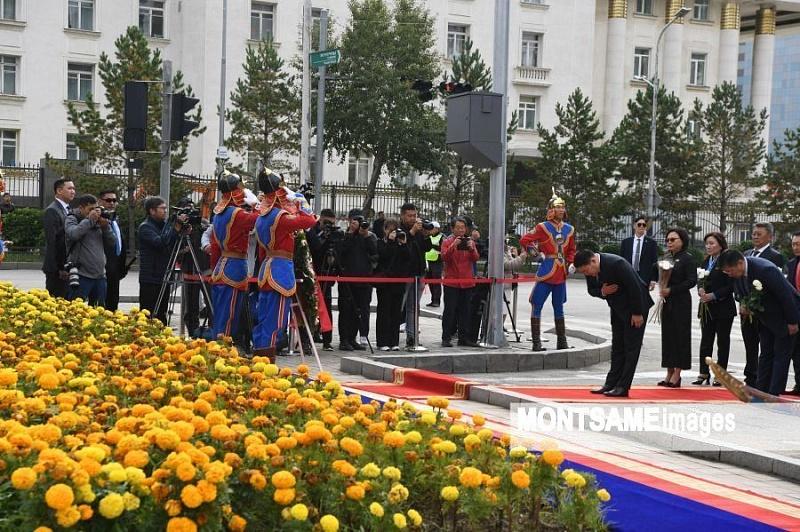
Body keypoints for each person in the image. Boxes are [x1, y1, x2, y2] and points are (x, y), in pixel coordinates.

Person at [252, 169, 316, 362]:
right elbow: (309, 220)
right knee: (274, 320)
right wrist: (300, 200)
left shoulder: (262, 216)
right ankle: (266, 363)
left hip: (266, 268)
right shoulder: (278, 216)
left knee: (263, 318)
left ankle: (259, 357)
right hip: (279, 271)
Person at [720, 249, 800, 396]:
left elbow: (785, 295)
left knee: (781, 355)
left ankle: (774, 393)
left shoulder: (765, 270)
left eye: (730, 271)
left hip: (784, 316)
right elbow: (739, 292)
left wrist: (793, 322)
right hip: (765, 317)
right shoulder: (737, 273)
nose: (729, 274)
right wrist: (744, 303)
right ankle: (761, 389)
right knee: (765, 354)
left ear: (739, 263)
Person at [575, 249, 652, 397]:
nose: (588, 274)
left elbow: (635, 287)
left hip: (635, 307)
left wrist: (637, 313)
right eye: (583, 272)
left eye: (586, 271)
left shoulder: (617, 264)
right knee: (617, 346)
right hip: (617, 307)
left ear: (593, 261)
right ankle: (611, 383)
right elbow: (592, 290)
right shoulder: (589, 268)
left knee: (631, 348)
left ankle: (623, 387)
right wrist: (603, 292)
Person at [519, 189, 576, 351]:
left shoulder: (569, 229)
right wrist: (537, 255)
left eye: (563, 207)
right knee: (537, 304)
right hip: (546, 272)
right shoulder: (542, 227)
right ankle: (536, 343)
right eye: (558, 207)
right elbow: (525, 240)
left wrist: (571, 263)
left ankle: (562, 342)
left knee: (559, 307)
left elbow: (572, 249)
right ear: (551, 209)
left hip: (561, 272)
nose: (561, 210)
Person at [209, 172, 260, 342]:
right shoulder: (236, 213)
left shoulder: (219, 211)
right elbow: (258, 219)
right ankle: (221, 350)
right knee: (229, 316)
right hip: (233, 267)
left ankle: (219, 347)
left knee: (221, 315)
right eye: (240, 188)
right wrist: (257, 204)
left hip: (223, 264)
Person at [741, 222, 785, 386]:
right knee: (750, 344)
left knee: (766, 348)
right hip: (746, 310)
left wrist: (756, 303)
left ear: (770, 237)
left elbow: (775, 285)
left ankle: (764, 380)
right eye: (753, 233)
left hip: (764, 310)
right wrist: (742, 301)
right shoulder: (746, 254)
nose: (755, 237)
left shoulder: (775, 256)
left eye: (759, 234)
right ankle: (750, 377)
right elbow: (739, 281)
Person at [652, 227, 697, 388]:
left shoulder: (687, 259)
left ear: (682, 241)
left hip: (681, 301)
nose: (669, 242)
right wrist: (658, 284)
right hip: (667, 301)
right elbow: (656, 272)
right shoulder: (666, 257)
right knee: (668, 336)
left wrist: (671, 290)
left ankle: (677, 373)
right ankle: (669, 371)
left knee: (680, 337)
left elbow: (691, 281)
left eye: (673, 239)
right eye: (667, 240)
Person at [694, 232, 736, 386]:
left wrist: (714, 295)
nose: (708, 246)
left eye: (712, 243)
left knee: (722, 342)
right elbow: (700, 279)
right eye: (707, 243)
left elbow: (731, 286)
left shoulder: (727, 260)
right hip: (707, 307)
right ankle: (703, 372)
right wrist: (700, 289)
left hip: (723, 307)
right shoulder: (706, 260)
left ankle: (721, 375)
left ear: (720, 244)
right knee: (706, 341)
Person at [336, 209, 378, 351]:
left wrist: (365, 235)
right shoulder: (344, 235)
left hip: (364, 279)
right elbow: (341, 252)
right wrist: (350, 233)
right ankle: (344, 340)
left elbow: (374, 252)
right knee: (346, 310)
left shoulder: (368, 236)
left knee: (358, 311)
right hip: (347, 279)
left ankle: (352, 338)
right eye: (354, 221)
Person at [138, 196, 184, 324]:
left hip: (163, 275)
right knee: (148, 314)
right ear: (152, 211)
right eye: (162, 208)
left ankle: (161, 333)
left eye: (166, 208)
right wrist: (175, 228)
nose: (165, 211)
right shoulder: (145, 227)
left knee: (161, 314)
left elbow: (171, 244)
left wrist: (181, 232)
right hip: (150, 277)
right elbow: (160, 243)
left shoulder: (164, 225)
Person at [65, 194, 116, 306]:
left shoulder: (100, 221)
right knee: (76, 310)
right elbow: (73, 234)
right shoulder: (73, 218)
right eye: (90, 209)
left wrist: (105, 227)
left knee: (98, 310)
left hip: (100, 276)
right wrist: (89, 220)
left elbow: (112, 243)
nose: (94, 213)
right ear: (81, 208)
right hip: (81, 275)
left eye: (95, 209)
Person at [440, 217, 480, 348]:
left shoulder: (470, 241)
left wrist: (471, 249)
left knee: (466, 311)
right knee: (450, 311)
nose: (461, 230)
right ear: (452, 229)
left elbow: (475, 258)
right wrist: (453, 246)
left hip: (467, 282)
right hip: (451, 282)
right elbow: (444, 257)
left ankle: (464, 338)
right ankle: (446, 337)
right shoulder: (447, 241)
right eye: (458, 228)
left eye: (463, 228)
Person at [398, 203, 433, 350]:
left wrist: (425, 235)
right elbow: (404, 250)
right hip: (404, 274)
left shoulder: (419, 231)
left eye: (415, 215)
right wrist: (412, 232)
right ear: (402, 216)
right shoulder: (399, 230)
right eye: (410, 216)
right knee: (399, 306)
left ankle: (412, 337)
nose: (413, 218)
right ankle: (391, 337)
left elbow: (427, 248)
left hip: (419, 272)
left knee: (414, 307)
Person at [175, 197, 210, 336]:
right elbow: (173, 248)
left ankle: (212, 330)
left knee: (210, 301)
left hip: (205, 268)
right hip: (189, 268)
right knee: (191, 305)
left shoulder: (202, 224)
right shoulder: (177, 227)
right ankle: (193, 332)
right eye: (187, 209)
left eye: (192, 207)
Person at [309, 208, 342, 351]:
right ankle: (310, 336)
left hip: (326, 275)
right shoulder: (312, 231)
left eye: (331, 223)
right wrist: (324, 236)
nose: (329, 226)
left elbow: (338, 253)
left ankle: (327, 340)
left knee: (327, 307)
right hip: (313, 273)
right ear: (320, 219)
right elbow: (316, 249)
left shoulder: (334, 235)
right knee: (311, 306)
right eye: (326, 222)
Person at [375, 218, 410, 351]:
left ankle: (394, 341)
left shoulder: (400, 244)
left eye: (395, 230)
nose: (393, 233)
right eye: (390, 230)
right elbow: (385, 256)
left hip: (398, 282)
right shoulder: (380, 243)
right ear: (385, 230)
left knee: (396, 313)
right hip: (384, 283)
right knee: (384, 312)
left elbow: (407, 258)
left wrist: (404, 244)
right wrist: (390, 241)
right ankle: (382, 342)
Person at [42, 178, 76, 298]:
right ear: (59, 191)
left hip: (68, 266)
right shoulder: (52, 210)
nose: (73, 191)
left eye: (74, 188)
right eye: (69, 188)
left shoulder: (69, 209)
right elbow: (53, 242)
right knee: (57, 301)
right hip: (57, 269)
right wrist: (59, 268)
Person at [98, 190, 127, 312]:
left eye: (114, 200)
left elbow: (120, 244)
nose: (112, 203)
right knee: (102, 305)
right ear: (100, 201)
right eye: (108, 200)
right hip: (103, 268)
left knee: (113, 303)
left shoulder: (115, 219)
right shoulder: (99, 220)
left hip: (116, 268)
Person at [620, 216, 658, 284]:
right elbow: (621, 260)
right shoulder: (626, 242)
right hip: (628, 275)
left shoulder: (652, 243)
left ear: (646, 227)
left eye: (644, 225)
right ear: (634, 226)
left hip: (645, 278)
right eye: (639, 224)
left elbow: (654, 262)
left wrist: (653, 279)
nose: (641, 226)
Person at [785, 231, 800, 396]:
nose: (796, 247)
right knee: (796, 352)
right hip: (796, 313)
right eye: (794, 244)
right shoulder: (791, 264)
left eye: (799, 244)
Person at [425, 221, 443, 307]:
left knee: (436, 282)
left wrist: (432, 245)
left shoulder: (441, 237)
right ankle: (433, 300)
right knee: (430, 282)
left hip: (437, 262)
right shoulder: (429, 236)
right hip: (428, 261)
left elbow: (442, 248)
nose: (430, 230)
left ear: (437, 229)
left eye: (432, 228)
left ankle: (437, 301)